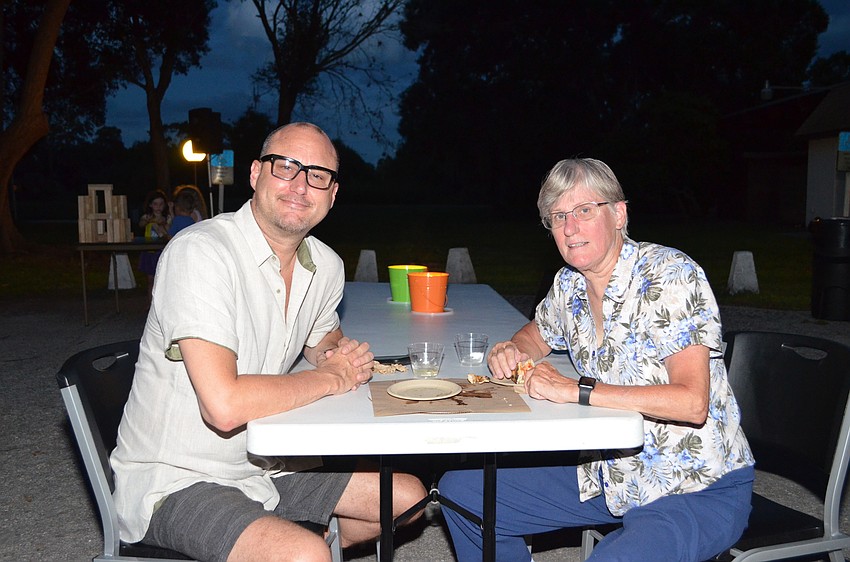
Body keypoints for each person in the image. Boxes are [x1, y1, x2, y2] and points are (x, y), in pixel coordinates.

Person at [111, 122, 426, 562]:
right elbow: (222, 406)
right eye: (286, 167)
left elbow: (323, 340)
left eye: (318, 175)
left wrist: (339, 355)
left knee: (407, 497)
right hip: (180, 478)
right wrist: (330, 379)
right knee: (303, 553)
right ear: (256, 174)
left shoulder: (326, 266)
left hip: (265, 463)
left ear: (332, 194)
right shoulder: (200, 253)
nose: (300, 185)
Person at [439, 158, 754, 562]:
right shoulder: (569, 284)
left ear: (619, 213)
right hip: (609, 472)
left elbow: (692, 403)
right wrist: (514, 348)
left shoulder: (671, 276)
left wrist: (575, 390)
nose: (570, 228)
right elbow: (537, 332)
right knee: (464, 493)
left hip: (696, 485)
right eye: (558, 217)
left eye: (584, 211)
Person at [137, 189, 171, 301]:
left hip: (161, 251)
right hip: (149, 251)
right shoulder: (147, 217)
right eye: (155, 204)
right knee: (150, 279)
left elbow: (169, 230)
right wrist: (150, 221)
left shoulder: (167, 218)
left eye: (161, 204)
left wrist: (163, 224)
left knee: (161, 279)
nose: (158, 207)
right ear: (151, 205)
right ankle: (150, 302)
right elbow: (141, 224)